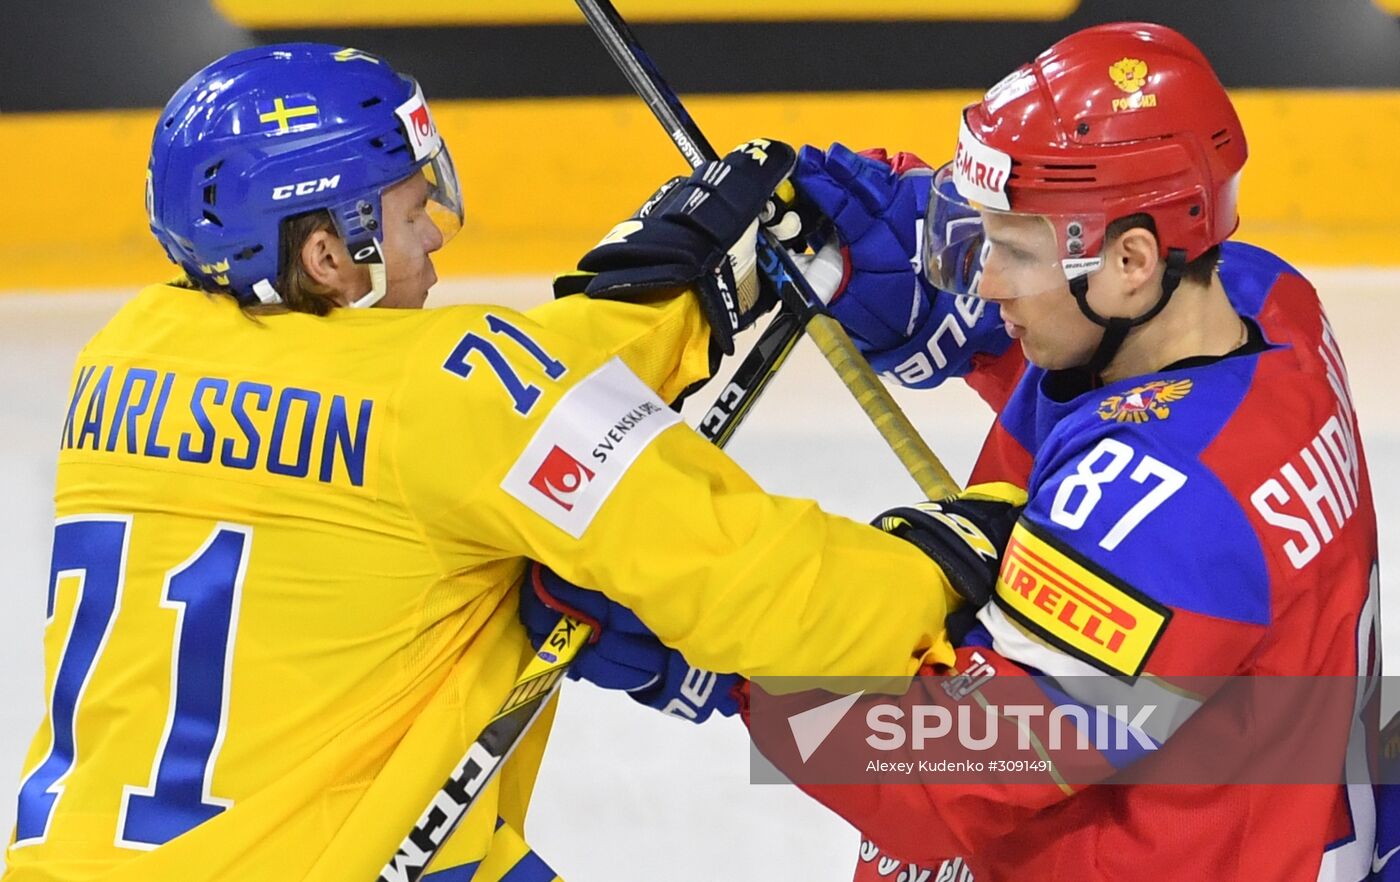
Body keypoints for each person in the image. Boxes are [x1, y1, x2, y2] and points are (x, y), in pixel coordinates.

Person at [0, 42, 1013, 882]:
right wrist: (956, 551)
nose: (435, 232)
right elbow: (771, 597)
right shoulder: (451, 397)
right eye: (407, 210)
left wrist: (680, 293)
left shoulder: (124, 356)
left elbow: (457, 407)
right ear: (324, 252)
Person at [523, 21, 1380, 881]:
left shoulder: (1165, 513)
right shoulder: (1256, 302)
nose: (986, 279)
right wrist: (886, 251)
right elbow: (1105, 390)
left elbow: (953, 764)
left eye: (1010, 251)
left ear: (1131, 261)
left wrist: (728, 644)